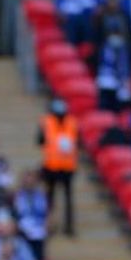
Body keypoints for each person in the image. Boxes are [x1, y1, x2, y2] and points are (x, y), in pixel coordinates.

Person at [38, 98, 79, 236]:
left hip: (66, 167)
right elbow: (40, 141)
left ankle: (68, 226)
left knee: (62, 199)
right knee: (51, 199)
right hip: (53, 166)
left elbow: (40, 141)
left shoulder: (70, 123)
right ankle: (51, 225)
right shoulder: (47, 122)